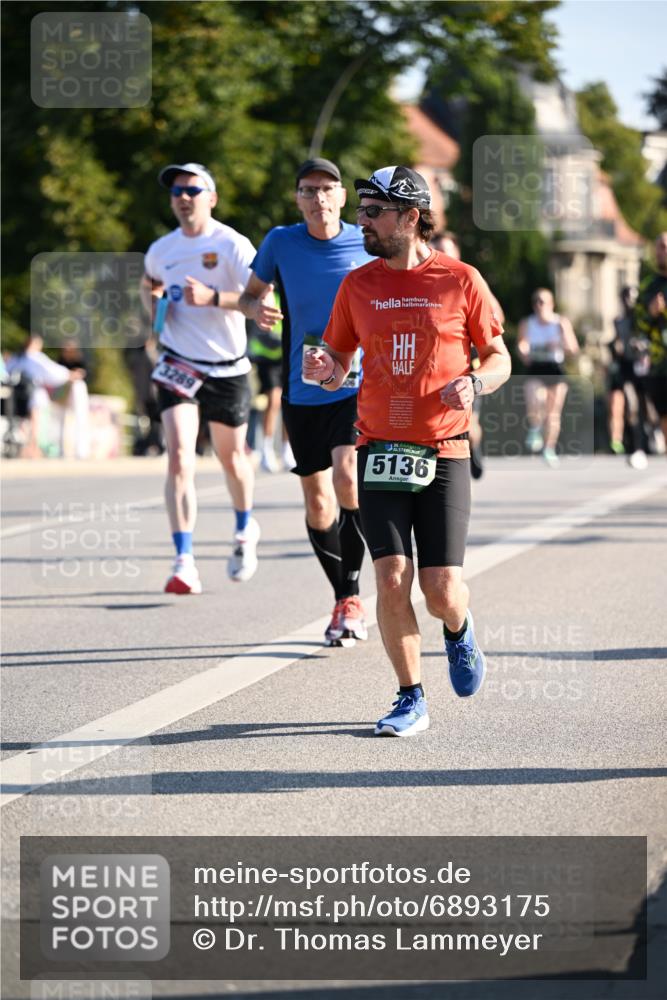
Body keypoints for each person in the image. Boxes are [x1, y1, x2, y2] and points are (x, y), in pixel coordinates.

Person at [303, 165, 511, 736]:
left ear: (411, 217)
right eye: (361, 211)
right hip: (378, 446)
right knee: (392, 575)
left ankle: (459, 627)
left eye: (373, 212)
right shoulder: (357, 284)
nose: (361, 221)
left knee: (440, 590)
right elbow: (337, 363)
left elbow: (499, 357)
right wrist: (324, 369)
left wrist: (477, 381)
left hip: (443, 450)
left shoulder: (460, 279)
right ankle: (409, 696)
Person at [240, 158, 374, 647]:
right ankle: (342, 596)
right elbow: (247, 295)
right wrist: (258, 309)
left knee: (347, 475)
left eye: (327, 189)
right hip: (301, 391)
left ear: (342, 197)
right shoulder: (280, 242)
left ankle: (353, 595)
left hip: (355, 386)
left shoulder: (366, 242)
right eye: (308, 190)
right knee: (318, 502)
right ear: (297, 198)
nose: (318, 198)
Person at [141, 162, 278, 594]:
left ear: (211, 198)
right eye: (176, 191)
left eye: (192, 190)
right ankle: (184, 560)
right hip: (179, 363)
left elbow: (262, 301)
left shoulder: (233, 244)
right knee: (179, 455)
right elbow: (150, 290)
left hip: (228, 366)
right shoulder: (161, 250)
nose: (183, 197)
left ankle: (243, 528)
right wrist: (155, 303)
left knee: (232, 458)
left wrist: (214, 298)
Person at [430, 232, 505, 479]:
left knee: (471, 421)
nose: (442, 257)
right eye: (438, 250)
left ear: (457, 254)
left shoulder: (470, 280)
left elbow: (497, 318)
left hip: (469, 363)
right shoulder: (425, 281)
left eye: (447, 251)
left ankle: (473, 446)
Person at [517, 288, 579, 467]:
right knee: (535, 400)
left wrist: (559, 343)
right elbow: (522, 344)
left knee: (553, 412)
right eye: (536, 301)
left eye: (542, 301)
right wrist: (524, 351)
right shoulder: (527, 322)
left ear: (551, 304)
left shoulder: (560, 322)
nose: (538, 305)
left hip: (555, 368)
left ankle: (548, 448)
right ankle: (535, 428)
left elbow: (573, 348)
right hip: (536, 368)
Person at [6, 333, 89, 459]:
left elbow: (7, 372)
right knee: (35, 422)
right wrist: (69, 375)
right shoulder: (35, 357)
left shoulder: (17, 358)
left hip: (14, 397)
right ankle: (33, 448)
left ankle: (30, 448)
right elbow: (52, 372)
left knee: (23, 422)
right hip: (32, 396)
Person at [608, 286, 648, 469]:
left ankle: (649, 439)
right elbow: (617, 343)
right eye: (625, 298)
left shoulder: (644, 318)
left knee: (648, 408)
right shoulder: (618, 321)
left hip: (646, 367)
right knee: (631, 406)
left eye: (632, 298)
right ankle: (635, 446)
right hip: (627, 367)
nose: (628, 302)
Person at [634, 231, 667, 446]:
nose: (663, 251)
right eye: (660, 247)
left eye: (665, 246)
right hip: (660, 362)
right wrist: (652, 314)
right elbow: (639, 325)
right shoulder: (647, 286)